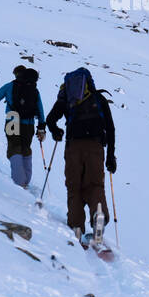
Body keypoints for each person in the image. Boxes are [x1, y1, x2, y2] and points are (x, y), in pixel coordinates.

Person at [44, 67, 116, 243]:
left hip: (73, 147)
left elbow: (50, 119)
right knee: (95, 186)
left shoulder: (68, 99)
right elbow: (111, 128)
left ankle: (76, 228)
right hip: (96, 148)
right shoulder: (99, 99)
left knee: (74, 187)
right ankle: (98, 215)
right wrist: (110, 156)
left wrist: (56, 132)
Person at [0, 66, 46, 189]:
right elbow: (40, 110)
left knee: (14, 148)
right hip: (28, 123)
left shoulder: (10, 86)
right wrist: (41, 128)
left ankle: (19, 182)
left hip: (12, 119)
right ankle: (26, 181)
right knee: (25, 149)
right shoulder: (34, 90)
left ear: (16, 74)